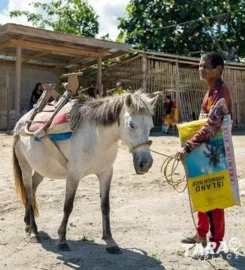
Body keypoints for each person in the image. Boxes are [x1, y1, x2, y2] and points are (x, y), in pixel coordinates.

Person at [176, 52, 232, 257]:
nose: (201, 69)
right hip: (204, 150)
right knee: (201, 191)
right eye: (200, 66)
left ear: (218, 69)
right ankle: (200, 234)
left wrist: (188, 145)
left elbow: (212, 125)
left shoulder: (220, 92)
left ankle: (216, 243)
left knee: (214, 196)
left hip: (214, 152)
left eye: (205, 66)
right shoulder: (211, 91)